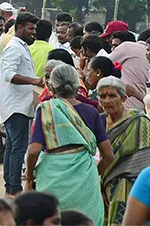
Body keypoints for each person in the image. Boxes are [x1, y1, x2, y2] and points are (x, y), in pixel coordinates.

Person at [26, 64, 113, 226]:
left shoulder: (46, 109)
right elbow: (108, 155)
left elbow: (33, 151)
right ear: (77, 85)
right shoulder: (91, 111)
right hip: (85, 177)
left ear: (51, 87)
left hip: (51, 177)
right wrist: (93, 172)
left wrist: (30, 176)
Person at [98, 76, 150, 226]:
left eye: (112, 95)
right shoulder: (99, 121)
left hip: (131, 181)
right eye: (102, 96)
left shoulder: (139, 121)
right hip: (103, 180)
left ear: (124, 98)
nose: (106, 100)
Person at [0, 12, 43, 197]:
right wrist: (33, 81)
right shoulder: (14, 48)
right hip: (16, 106)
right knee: (18, 147)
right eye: (31, 29)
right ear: (20, 28)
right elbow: (9, 75)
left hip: (19, 105)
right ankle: (15, 188)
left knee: (12, 146)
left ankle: (10, 186)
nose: (34, 32)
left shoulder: (21, 46)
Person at [109, 32, 150, 110]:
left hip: (127, 107)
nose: (113, 50)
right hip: (147, 109)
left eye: (116, 46)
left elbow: (102, 63)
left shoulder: (127, 46)